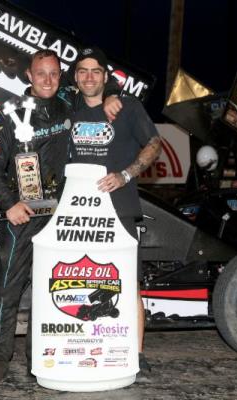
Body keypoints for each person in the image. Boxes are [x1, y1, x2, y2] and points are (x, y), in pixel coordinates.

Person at [0, 49, 121, 384]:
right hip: (22, 215)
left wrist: (114, 95)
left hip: (60, 215)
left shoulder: (69, 103)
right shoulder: (10, 111)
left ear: (61, 76)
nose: (47, 80)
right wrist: (8, 203)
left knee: (51, 290)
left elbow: (100, 80)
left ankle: (40, 358)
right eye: (41, 73)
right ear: (29, 75)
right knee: (8, 289)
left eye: (54, 74)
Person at [70, 47, 162, 380]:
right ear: (76, 77)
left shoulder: (127, 107)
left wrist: (125, 175)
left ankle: (137, 355)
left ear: (106, 77)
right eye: (82, 71)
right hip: (75, 213)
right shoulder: (70, 107)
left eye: (96, 71)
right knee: (81, 282)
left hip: (120, 210)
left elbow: (154, 143)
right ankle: (84, 350)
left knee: (127, 283)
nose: (89, 77)